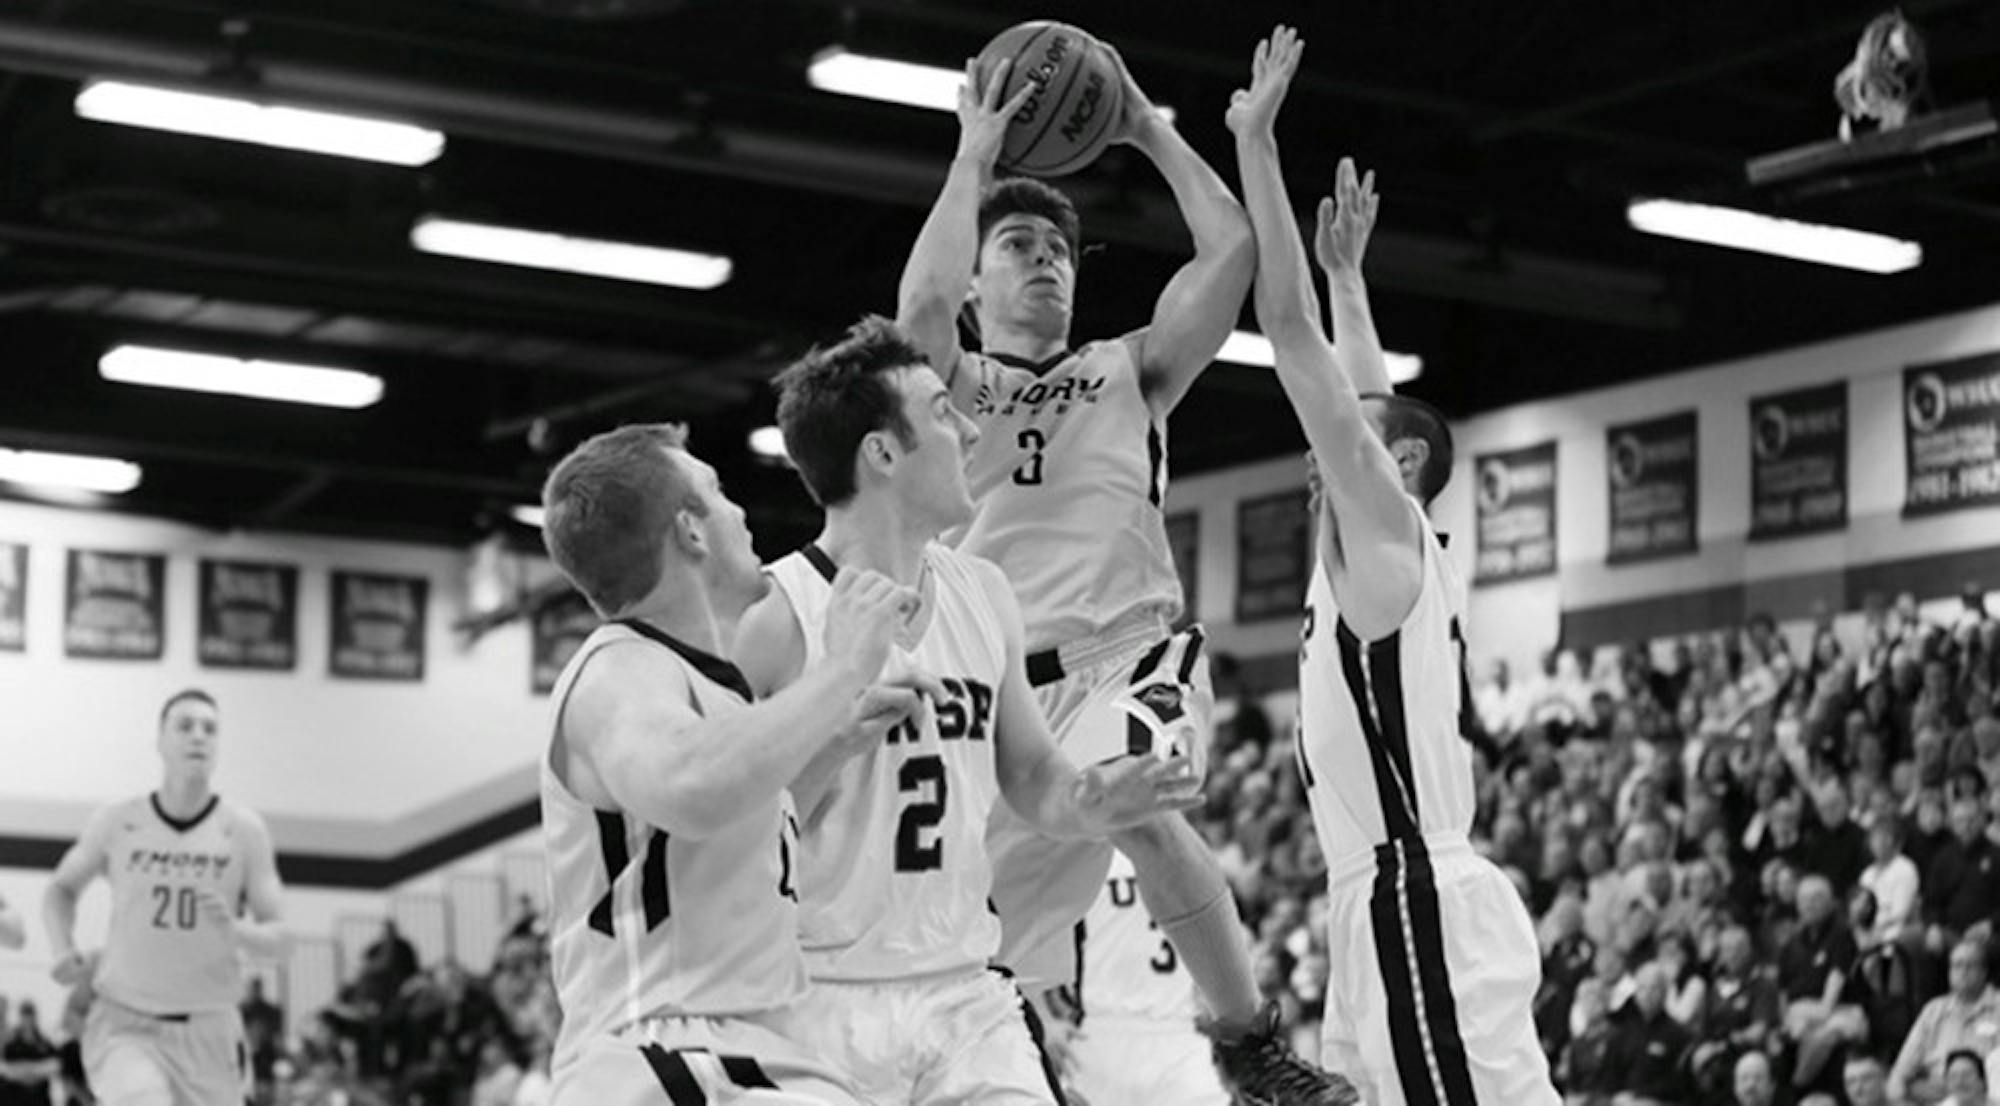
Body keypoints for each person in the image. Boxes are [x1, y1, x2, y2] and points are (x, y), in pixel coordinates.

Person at [896, 38, 1342, 1106]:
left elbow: (1230, 252)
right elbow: (913, 314)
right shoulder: (947, 381)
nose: (1045, 257)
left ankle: (1246, 1040)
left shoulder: (1127, 365)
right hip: (999, 696)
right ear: (977, 283)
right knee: (966, 952)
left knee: (1139, 799)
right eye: (1016, 243)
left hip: (1125, 652)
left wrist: (1144, 124)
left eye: (1057, 245)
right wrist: (973, 158)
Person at [738, 318, 1205, 1105]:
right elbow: (729, 837)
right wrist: (832, 746)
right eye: (941, 413)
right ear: (882, 454)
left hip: (966, 992)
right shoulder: (775, 619)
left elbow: (1030, 776)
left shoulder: (983, 593)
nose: (972, 425)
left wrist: (1096, 798)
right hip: (818, 994)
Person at [1226, 25, 1558, 1106]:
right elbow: (1364, 384)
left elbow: (1285, 332)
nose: (1331, 446)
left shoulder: (1385, 536)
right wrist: (1349, 278)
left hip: (1414, 896)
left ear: (1397, 462)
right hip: (1378, 903)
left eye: (1362, 440)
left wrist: (1256, 145)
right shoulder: (1373, 547)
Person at [535, 421, 927, 1106]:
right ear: (691, 531)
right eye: (718, 492)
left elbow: (720, 843)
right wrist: (842, 669)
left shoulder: (707, 692)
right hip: (666, 1052)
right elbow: (691, 791)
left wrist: (835, 741)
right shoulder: (619, 668)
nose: (742, 510)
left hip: (739, 1055)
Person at [42, 689, 286, 1106]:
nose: (198, 736)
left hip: (210, 1030)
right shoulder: (118, 821)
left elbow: (281, 938)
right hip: (126, 1023)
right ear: (160, 741)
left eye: (210, 729)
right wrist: (62, 947)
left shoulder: (244, 830)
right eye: (185, 726)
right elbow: (60, 890)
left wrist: (238, 931)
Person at [1063, 849, 1230, 1106]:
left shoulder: (1082, 860)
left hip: (1107, 1031)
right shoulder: (1192, 858)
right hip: (1172, 1033)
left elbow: (1041, 941)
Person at [1889, 938, 2000, 1103]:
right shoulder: (1933, 1010)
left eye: (1970, 965)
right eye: (1957, 966)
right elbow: (1900, 1075)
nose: (1963, 972)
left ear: (1984, 971)